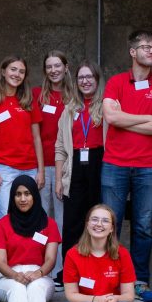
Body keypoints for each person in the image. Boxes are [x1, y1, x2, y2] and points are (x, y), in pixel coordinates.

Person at [101, 30, 152, 302]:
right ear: (132, 52)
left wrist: (125, 117)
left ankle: (140, 281)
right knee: (111, 225)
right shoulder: (117, 82)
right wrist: (146, 119)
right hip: (115, 165)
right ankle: (109, 280)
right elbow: (110, 117)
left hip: (148, 167)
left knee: (143, 226)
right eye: (145, 47)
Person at [0, 56, 44, 219]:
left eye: (21, 71)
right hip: (4, 168)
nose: (17, 74)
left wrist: (41, 171)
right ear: (3, 71)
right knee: (5, 214)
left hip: (30, 167)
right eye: (13, 69)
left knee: (30, 215)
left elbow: (37, 138)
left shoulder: (28, 100)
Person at [55, 61, 106, 268]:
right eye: (81, 78)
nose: (85, 81)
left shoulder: (107, 106)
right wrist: (59, 179)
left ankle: (96, 269)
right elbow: (59, 147)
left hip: (99, 165)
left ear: (97, 80)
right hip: (74, 167)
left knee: (97, 220)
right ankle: (69, 270)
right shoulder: (69, 109)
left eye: (89, 77)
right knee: (73, 222)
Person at [33, 51, 75, 279]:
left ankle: (59, 270)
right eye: (49, 67)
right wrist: (40, 169)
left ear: (66, 67)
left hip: (66, 167)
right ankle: (40, 268)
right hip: (41, 165)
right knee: (40, 219)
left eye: (57, 65)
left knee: (61, 221)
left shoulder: (74, 95)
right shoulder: (37, 95)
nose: (54, 70)